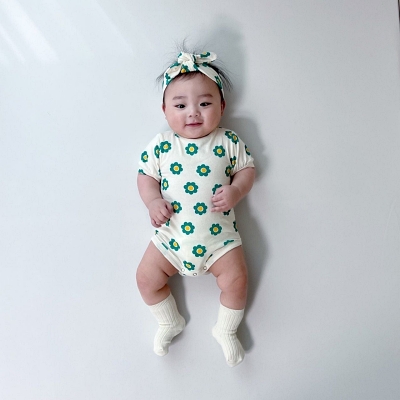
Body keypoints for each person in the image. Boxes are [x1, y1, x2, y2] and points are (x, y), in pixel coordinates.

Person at [136, 50, 255, 367]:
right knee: (146, 279)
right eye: (180, 106)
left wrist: (236, 190)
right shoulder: (162, 144)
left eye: (204, 103)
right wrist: (153, 201)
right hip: (170, 238)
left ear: (222, 107)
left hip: (220, 240)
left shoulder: (228, 141)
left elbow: (247, 170)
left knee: (237, 281)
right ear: (165, 110)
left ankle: (226, 329)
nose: (193, 113)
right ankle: (168, 321)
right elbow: (145, 177)